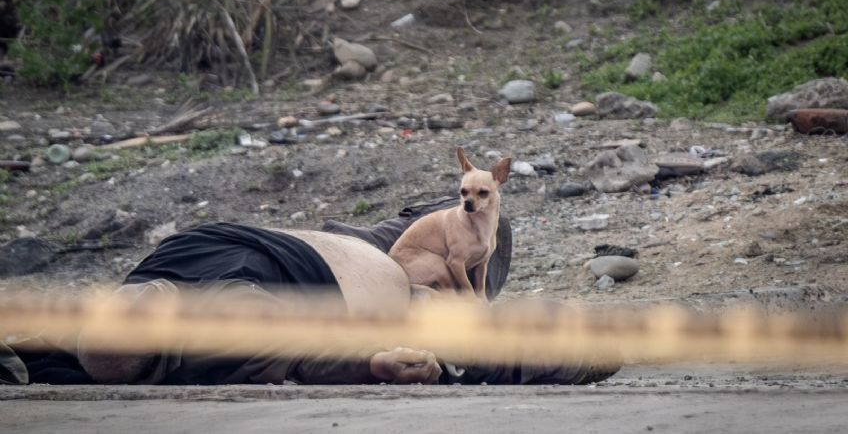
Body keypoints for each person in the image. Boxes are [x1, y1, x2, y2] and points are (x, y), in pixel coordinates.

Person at [9, 197, 619, 385]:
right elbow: (301, 351)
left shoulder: (141, 287)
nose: (138, 295)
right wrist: (374, 363)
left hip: (357, 242)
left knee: (490, 227)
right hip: (391, 305)